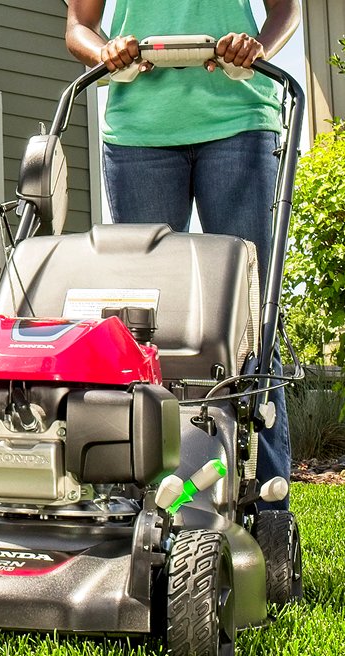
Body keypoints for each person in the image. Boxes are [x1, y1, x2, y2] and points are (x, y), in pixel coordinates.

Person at [66, 0, 301, 511]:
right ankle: (141, 493)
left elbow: (287, 9)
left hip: (238, 120)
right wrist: (105, 52)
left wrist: (257, 47)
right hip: (140, 133)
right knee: (141, 320)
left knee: (251, 316)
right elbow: (79, 26)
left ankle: (264, 503)